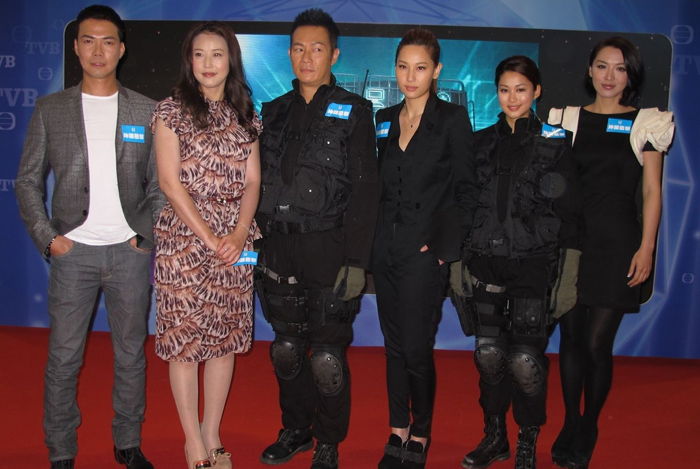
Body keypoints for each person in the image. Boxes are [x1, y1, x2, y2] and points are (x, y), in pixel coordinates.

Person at [14, 5, 163, 469]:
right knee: (63, 358)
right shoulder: (51, 109)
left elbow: (161, 187)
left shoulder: (147, 110)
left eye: (107, 41)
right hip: (72, 253)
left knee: (130, 355)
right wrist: (49, 239)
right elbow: (27, 181)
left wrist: (146, 237)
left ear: (121, 49)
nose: (98, 50)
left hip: (129, 253)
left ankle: (128, 441)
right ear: (76, 47)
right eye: (88, 40)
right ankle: (60, 449)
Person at [254, 8, 379, 469]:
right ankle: (296, 429)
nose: (307, 57)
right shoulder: (272, 112)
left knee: (326, 358)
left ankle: (328, 440)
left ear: (334, 55)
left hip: (329, 249)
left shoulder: (355, 111)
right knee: (286, 350)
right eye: (299, 48)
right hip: (278, 248)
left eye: (318, 48)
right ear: (289, 54)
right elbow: (255, 183)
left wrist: (357, 262)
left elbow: (366, 192)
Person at [547, 37, 674, 469]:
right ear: (589, 70)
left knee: (597, 343)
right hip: (571, 243)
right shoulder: (564, 119)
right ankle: (570, 420)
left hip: (618, 243)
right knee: (570, 339)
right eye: (602, 66)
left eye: (620, 69)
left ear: (630, 75)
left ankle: (590, 423)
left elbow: (652, 191)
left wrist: (647, 247)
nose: (609, 76)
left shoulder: (647, 123)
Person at [452, 56, 581, 469]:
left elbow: (571, 214)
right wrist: (456, 262)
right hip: (484, 263)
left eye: (521, 89)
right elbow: (462, 206)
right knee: (489, 356)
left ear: (537, 91)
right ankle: (495, 438)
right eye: (505, 90)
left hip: (533, 265)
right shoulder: (479, 142)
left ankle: (527, 441)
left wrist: (568, 278)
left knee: (525, 362)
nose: (512, 98)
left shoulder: (556, 142)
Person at [151, 21, 262, 469]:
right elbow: (169, 182)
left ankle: (212, 432)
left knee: (224, 339)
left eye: (217, 54)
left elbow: (253, 180)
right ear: (189, 60)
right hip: (184, 239)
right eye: (199, 54)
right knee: (185, 340)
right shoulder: (170, 110)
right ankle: (191, 441)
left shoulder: (245, 113)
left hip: (235, 241)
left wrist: (238, 233)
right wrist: (211, 237)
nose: (208, 63)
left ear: (230, 59)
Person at [373, 27, 478, 469]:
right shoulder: (383, 118)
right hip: (385, 249)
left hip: (424, 253)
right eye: (403, 67)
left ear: (436, 71)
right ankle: (397, 427)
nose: (410, 77)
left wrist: (441, 248)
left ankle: (421, 432)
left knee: (416, 348)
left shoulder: (452, 119)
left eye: (420, 68)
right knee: (393, 346)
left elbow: (467, 190)